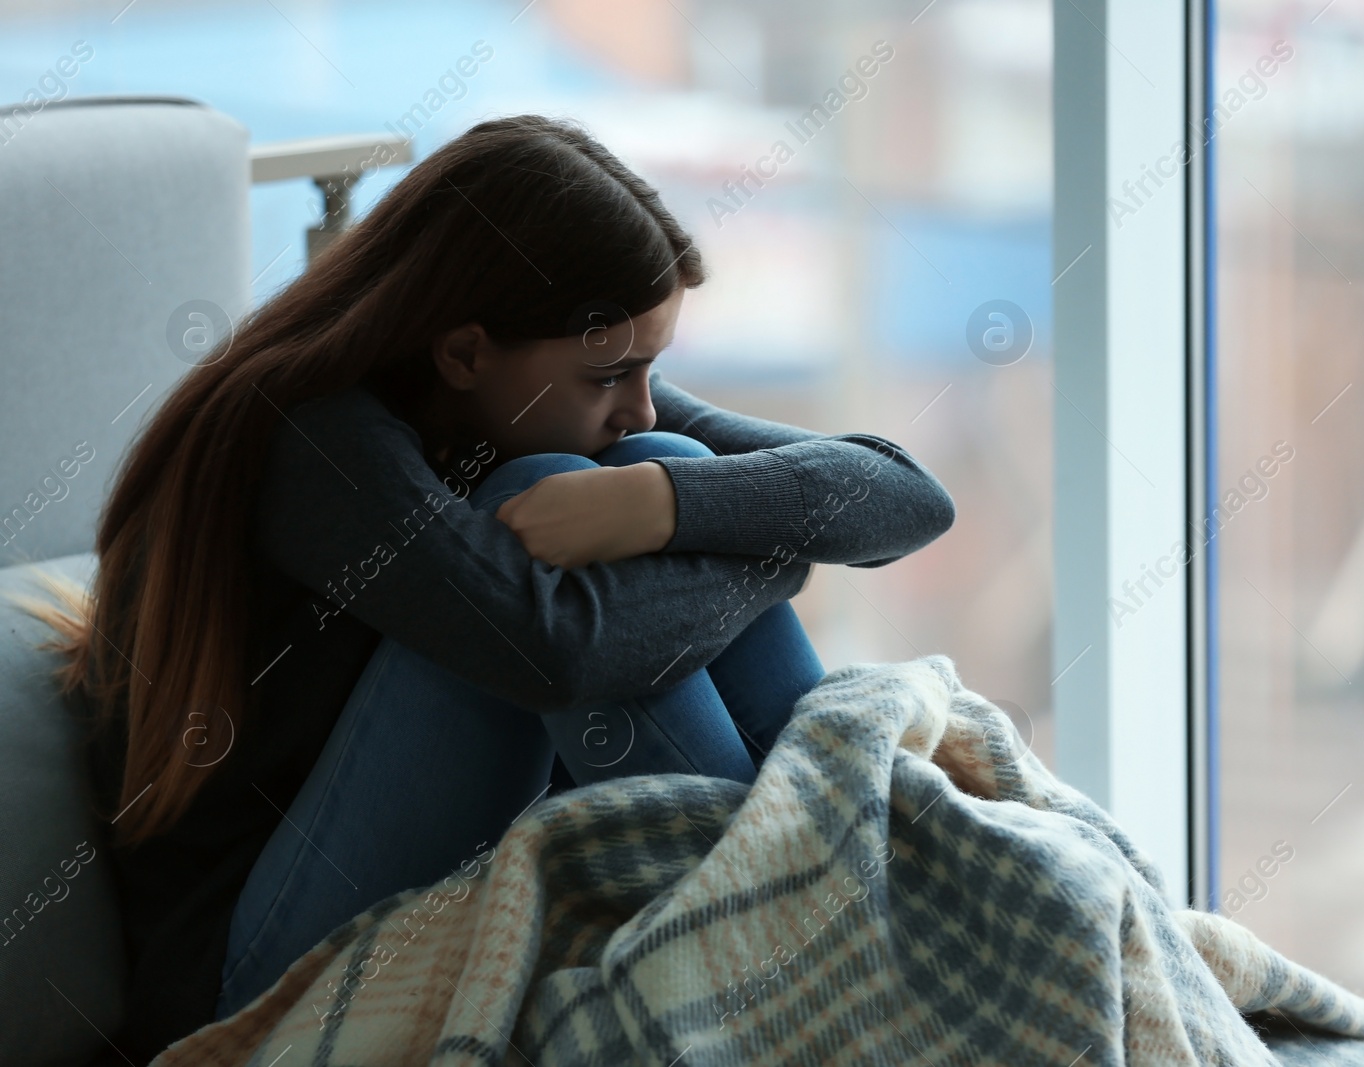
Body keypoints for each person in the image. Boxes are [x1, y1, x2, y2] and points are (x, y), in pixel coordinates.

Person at [14, 114, 954, 1062]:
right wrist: (771, 549)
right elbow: (549, 651)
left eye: (651, 366)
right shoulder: (311, 443)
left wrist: (666, 499)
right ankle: (815, 945)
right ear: (464, 352)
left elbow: (906, 496)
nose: (636, 399)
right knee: (567, 501)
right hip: (245, 971)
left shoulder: (564, 394)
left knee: (669, 461)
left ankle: (815, 909)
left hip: (391, 869)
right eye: (613, 372)